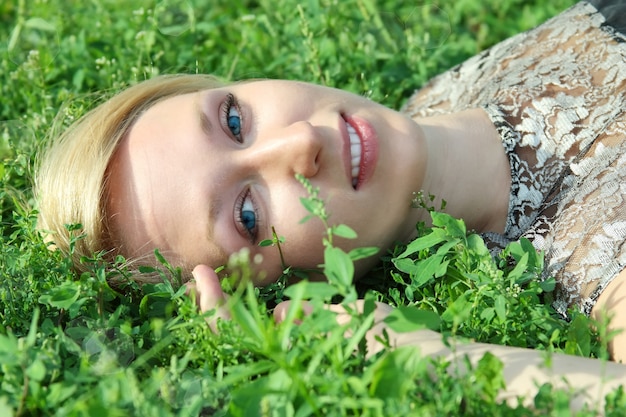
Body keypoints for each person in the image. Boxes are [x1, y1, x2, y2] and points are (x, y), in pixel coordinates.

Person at [34, 0, 626, 410]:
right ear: (292, 287)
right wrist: (415, 355)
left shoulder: (447, 91)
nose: (300, 143)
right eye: (248, 215)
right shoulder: (602, 269)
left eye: (234, 120)